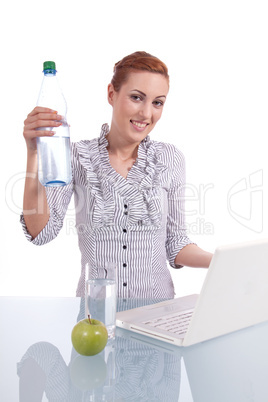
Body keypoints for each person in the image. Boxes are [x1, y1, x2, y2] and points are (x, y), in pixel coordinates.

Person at [22, 51, 213, 298]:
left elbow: (176, 243)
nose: (146, 114)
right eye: (136, 97)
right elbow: (41, 232)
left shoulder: (169, 158)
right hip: (95, 317)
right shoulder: (77, 156)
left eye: (157, 102)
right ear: (112, 94)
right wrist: (32, 154)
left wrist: (220, 261)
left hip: (156, 314)